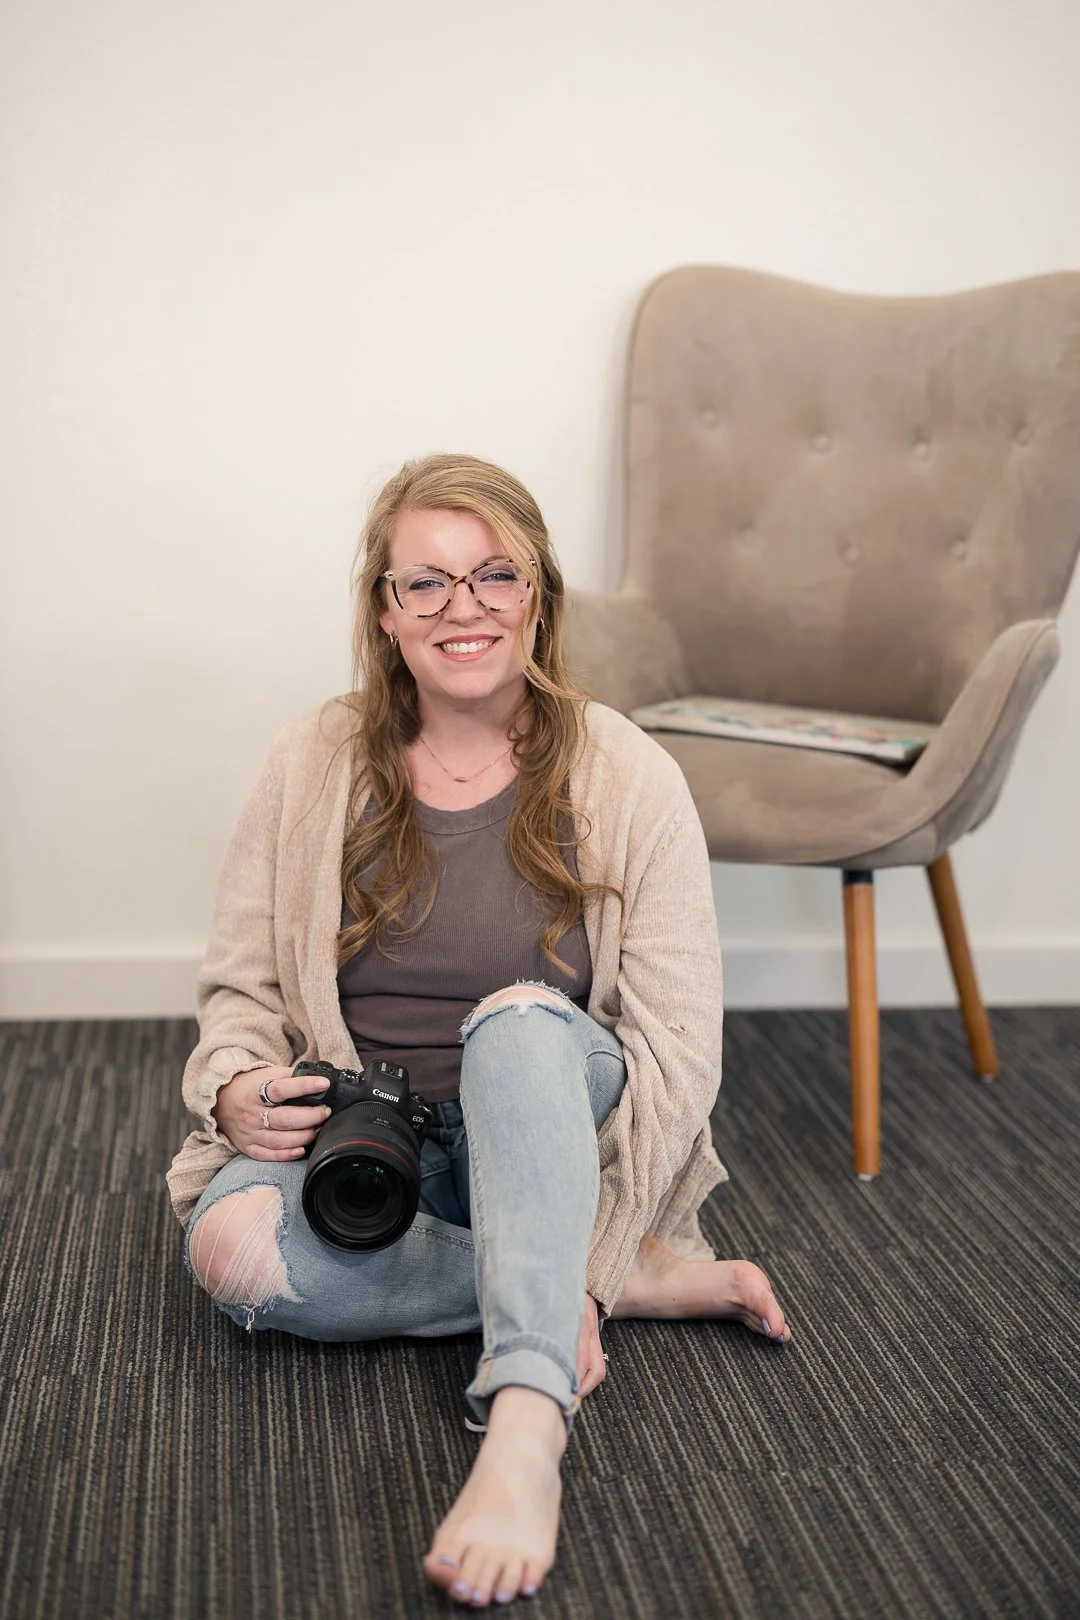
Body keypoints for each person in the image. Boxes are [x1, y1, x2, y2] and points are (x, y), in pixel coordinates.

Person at [167, 453, 791, 1609]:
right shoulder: (313, 761)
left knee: (515, 1017)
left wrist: (587, 1251)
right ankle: (613, 1278)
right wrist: (235, 1087)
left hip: (550, 1111)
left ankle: (525, 1416)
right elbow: (242, 986)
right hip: (374, 1144)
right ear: (385, 612)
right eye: (428, 584)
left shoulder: (630, 775)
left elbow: (678, 1053)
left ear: (539, 598)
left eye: (495, 575)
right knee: (235, 1257)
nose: (465, 608)